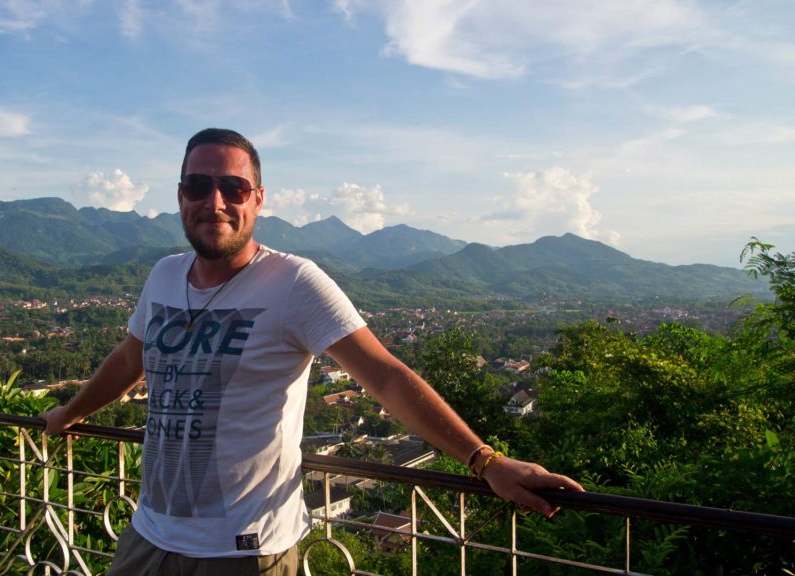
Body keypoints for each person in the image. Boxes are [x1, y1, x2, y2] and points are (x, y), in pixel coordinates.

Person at [40, 128, 583, 575]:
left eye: (233, 186)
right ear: (180, 195)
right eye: (199, 185)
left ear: (258, 198)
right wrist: (71, 412)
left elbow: (386, 376)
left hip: (245, 551)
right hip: (148, 535)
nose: (215, 201)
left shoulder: (295, 282)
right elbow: (129, 360)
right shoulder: (162, 276)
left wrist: (485, 460)